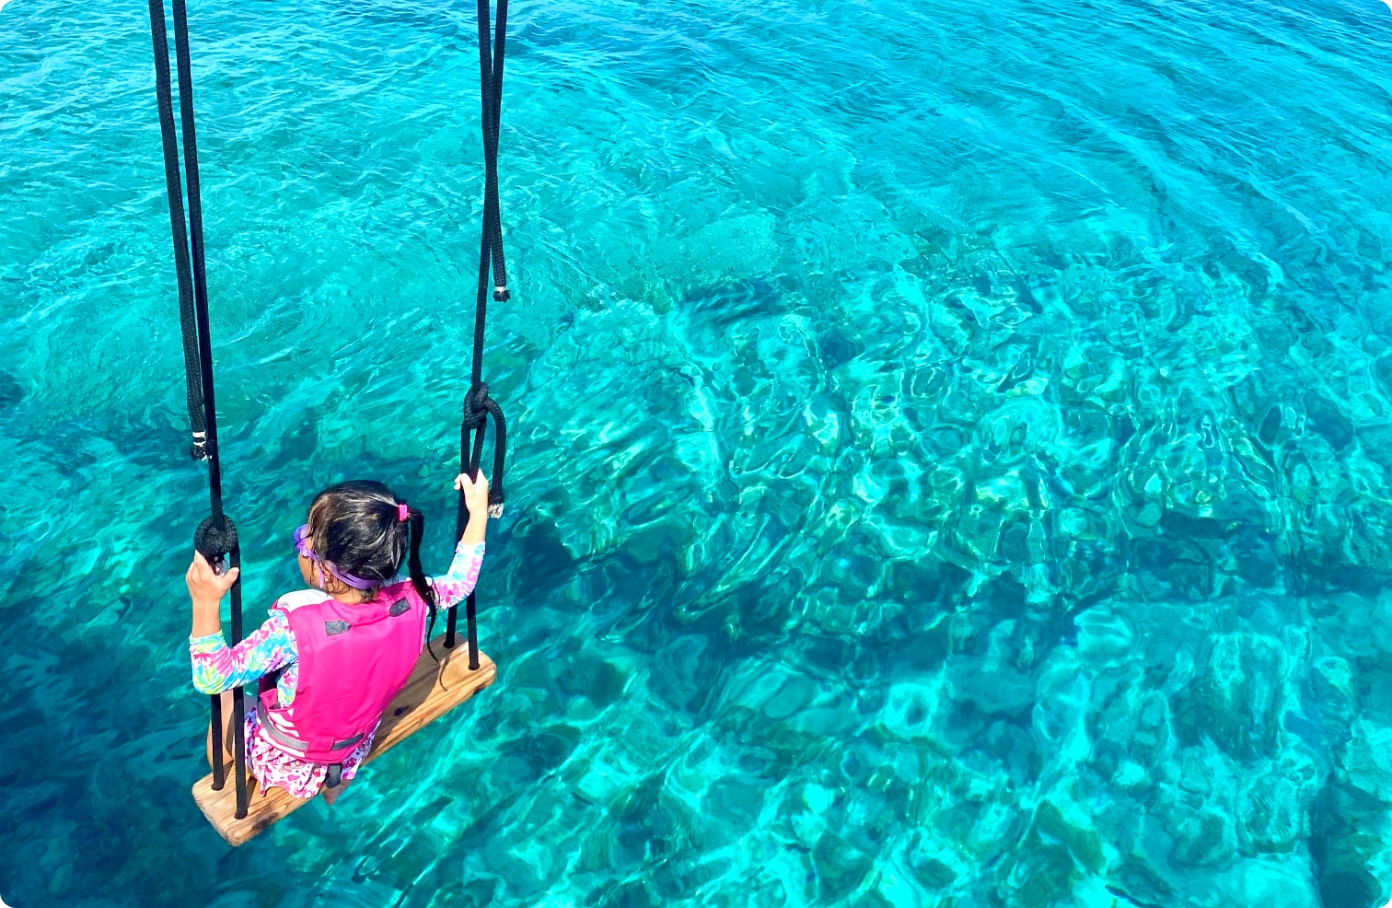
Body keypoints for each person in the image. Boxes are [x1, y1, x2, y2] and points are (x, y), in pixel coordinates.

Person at [185, 471, 490, 803]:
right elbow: (462, 581)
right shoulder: (418, 598)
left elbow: (212, 675)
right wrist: (477, 512)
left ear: (327, 569)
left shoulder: (292, 633)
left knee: (229, 693)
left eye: (304, 539)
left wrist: (205, 602)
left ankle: (228, 766)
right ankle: (335, 788)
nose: (300, 543)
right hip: (352, 749)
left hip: (286, 761)